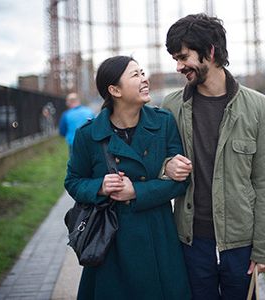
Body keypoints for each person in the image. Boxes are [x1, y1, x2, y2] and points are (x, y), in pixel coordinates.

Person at [161, 13, 265, 299]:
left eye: (183, 57)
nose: (178, 66)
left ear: (210, 52)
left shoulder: (259, 107)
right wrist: (166, 166)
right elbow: (155, 163)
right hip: (191, 241)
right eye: (175, 58)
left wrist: (264, 248)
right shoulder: (171, 106)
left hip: (241, 243)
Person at [64, 56, 191, 300]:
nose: (145, 79)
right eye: (135, 75)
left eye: (143, 72)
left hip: (158, 236)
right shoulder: (89, 135)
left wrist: (137, 192)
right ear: (114, 90)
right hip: (111, 243)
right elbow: (73, 181)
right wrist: (99, 186)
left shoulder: (163, 123)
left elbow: (182, 180)